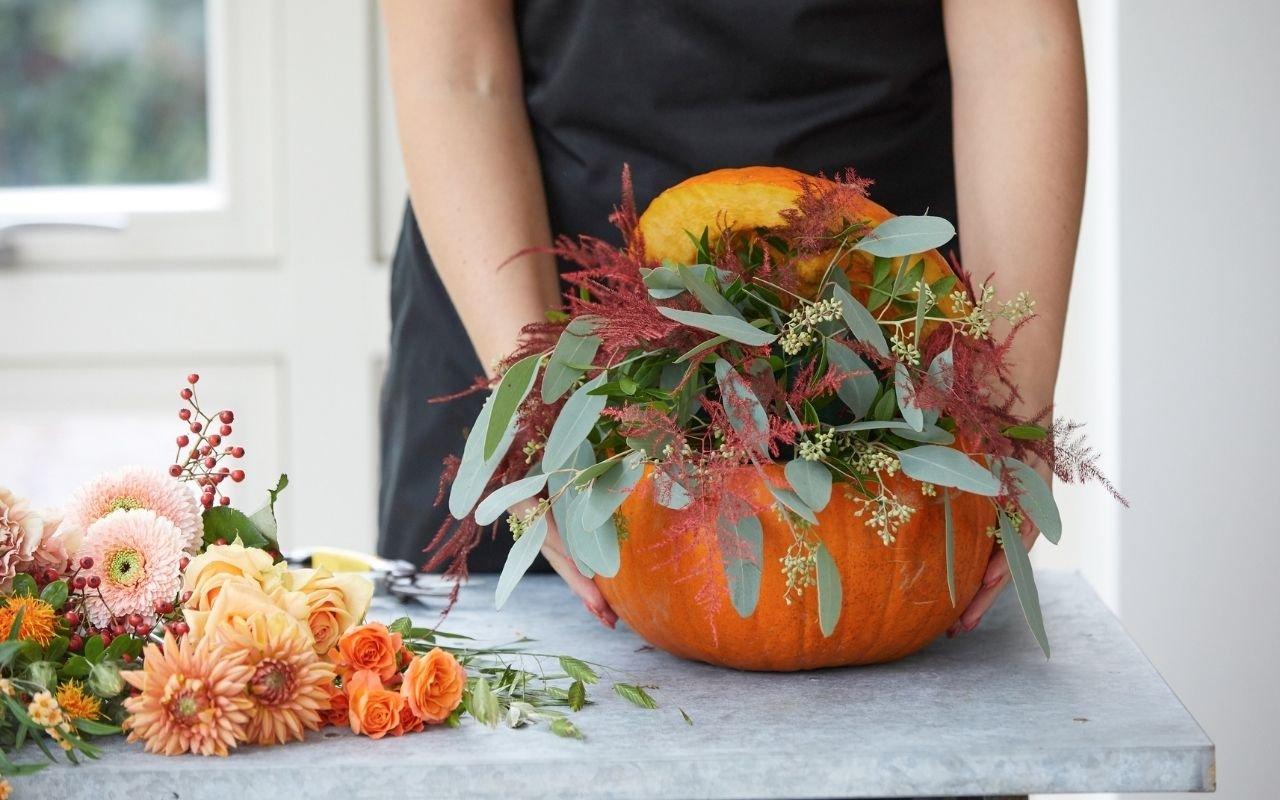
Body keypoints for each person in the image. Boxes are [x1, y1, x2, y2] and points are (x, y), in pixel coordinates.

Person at [377, 0, 1086, 636]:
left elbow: (1016, 42)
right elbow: (455, 72)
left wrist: (1003, 397)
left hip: (888, 328)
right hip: (538, 307)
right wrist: (539, 418)